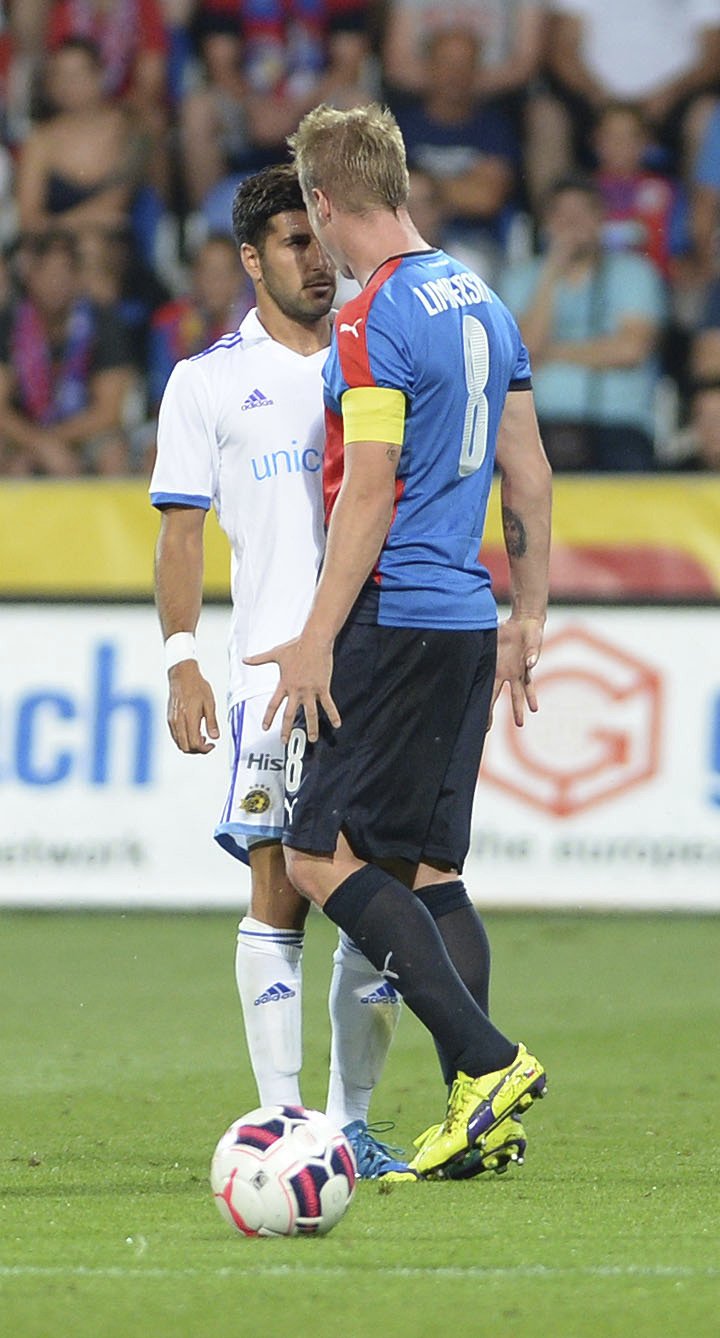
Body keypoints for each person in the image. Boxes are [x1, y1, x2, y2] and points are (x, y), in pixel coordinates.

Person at [246, 103, 552, 1180]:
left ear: (324, 202)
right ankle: (482, 1109)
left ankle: (488, 1058)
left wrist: (315, 637)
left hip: (396, 614)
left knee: (319, 852)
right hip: (468, 616)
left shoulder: (369, 317)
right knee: (428, 870)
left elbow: (367, 487)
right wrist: (529, 615)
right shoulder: (481, 297)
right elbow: (531, 473)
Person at [150, 164, 415, 1181]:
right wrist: (181, 661)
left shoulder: (376, 350)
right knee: (279, 887)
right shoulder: (208, 381)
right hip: (270, 672)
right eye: (293, 243)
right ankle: (283, 1121)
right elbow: (181, 536)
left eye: (323, 238)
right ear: (252, 257)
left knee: (375, 893)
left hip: (380, 662)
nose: (316, 258)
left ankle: (350, 1128)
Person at [500, 174, 666, 471]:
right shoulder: (520, 278)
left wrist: (552, 353)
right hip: (536, 424)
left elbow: (630, 349)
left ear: (601, 220)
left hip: (617, 424)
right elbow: (523, 351)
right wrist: (551, 271)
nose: (572, 223)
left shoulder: (634, 273)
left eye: (582, 213)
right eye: (561, 214)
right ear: (546, 222)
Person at [0, 229, 134, 476]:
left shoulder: (103, 321)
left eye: (64, 273)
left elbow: (109, 411)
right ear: (31, 275)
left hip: (83, 433)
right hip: (24, 434)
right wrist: (39, 444)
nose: (56, 283)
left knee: (113, 453)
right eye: (48, 273)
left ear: (77, 277)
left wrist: (54, 440)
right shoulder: (8, 322)